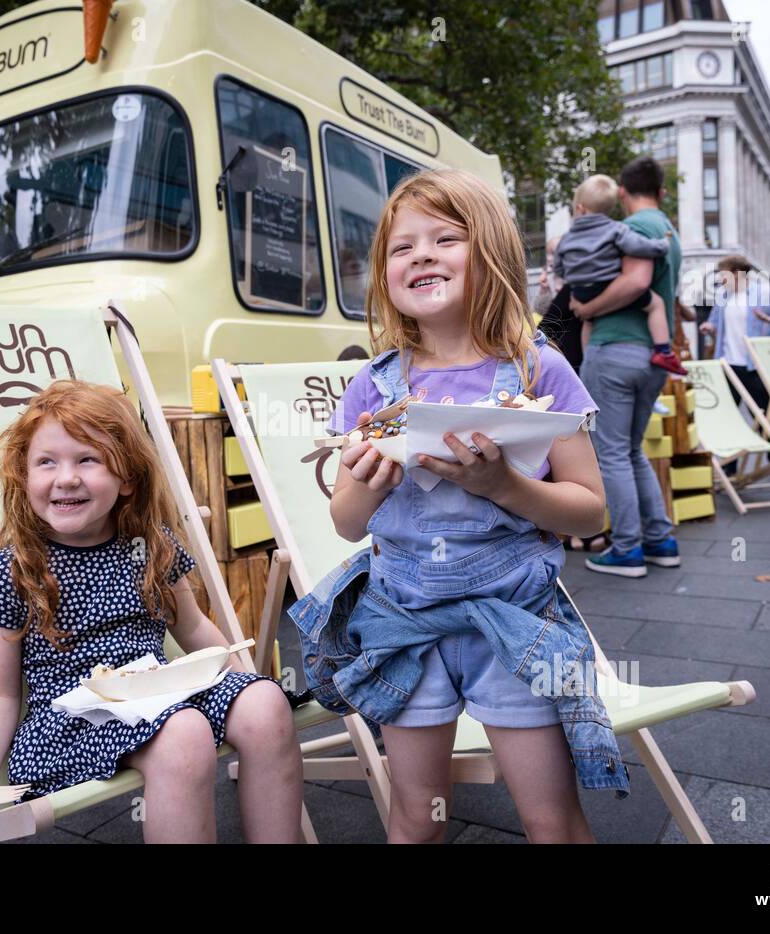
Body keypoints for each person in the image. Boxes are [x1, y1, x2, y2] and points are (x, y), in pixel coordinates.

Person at [295, 168, 629, 845]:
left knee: (550, 818)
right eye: (401, 247)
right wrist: (366, 481)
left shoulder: (538, 370)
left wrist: (506, 487)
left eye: (446, 238)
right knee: (416, 816)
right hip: (400, 618)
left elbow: (591, 512)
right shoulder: (374, 383)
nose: (420, 254)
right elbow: (346, 522)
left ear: (495, 255)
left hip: (511, 623)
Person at [0, 380, 303, 842]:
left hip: (158, 693)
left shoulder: (150, 545)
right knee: (184, 733)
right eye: (46, 462)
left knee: (266, 704)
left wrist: (246, 684)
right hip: (69, 718)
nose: (66, 478)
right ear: (24, 477)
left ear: (126, 480)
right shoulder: (18, 569)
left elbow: (195, 628)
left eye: (87, 459)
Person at [569, 156, 682, 578]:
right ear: (663, 192)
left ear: (621, 191)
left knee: (611, 451)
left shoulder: (635, 228)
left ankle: (627, 549)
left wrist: (586, 309)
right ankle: (659, 540)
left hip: (616, 348)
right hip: (651, 354)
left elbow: (635, 282)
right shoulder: (667, 228)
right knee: (631, 451)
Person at [554, 174, 685, 376]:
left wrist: (570, 277)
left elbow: (559, 266)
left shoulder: (566, 237)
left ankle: (588, 358)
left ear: (579, 208)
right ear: (611, 207)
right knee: (656, 305)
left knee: (588, 321)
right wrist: (661, 245)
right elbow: (639, 246)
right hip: (605, 284)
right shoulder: (617, 229)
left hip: (580, 290)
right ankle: (663, 350)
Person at [699, 255, 770, 416]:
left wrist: (769, 320)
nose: (721, 279)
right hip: (728, 365)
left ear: (736, 274)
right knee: (726, 418)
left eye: (723, 274)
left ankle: (769, 441)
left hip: (756, 368)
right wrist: (709, 326)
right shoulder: (723, 295)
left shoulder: (766, 292)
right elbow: (714, 321)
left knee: (763, 418)